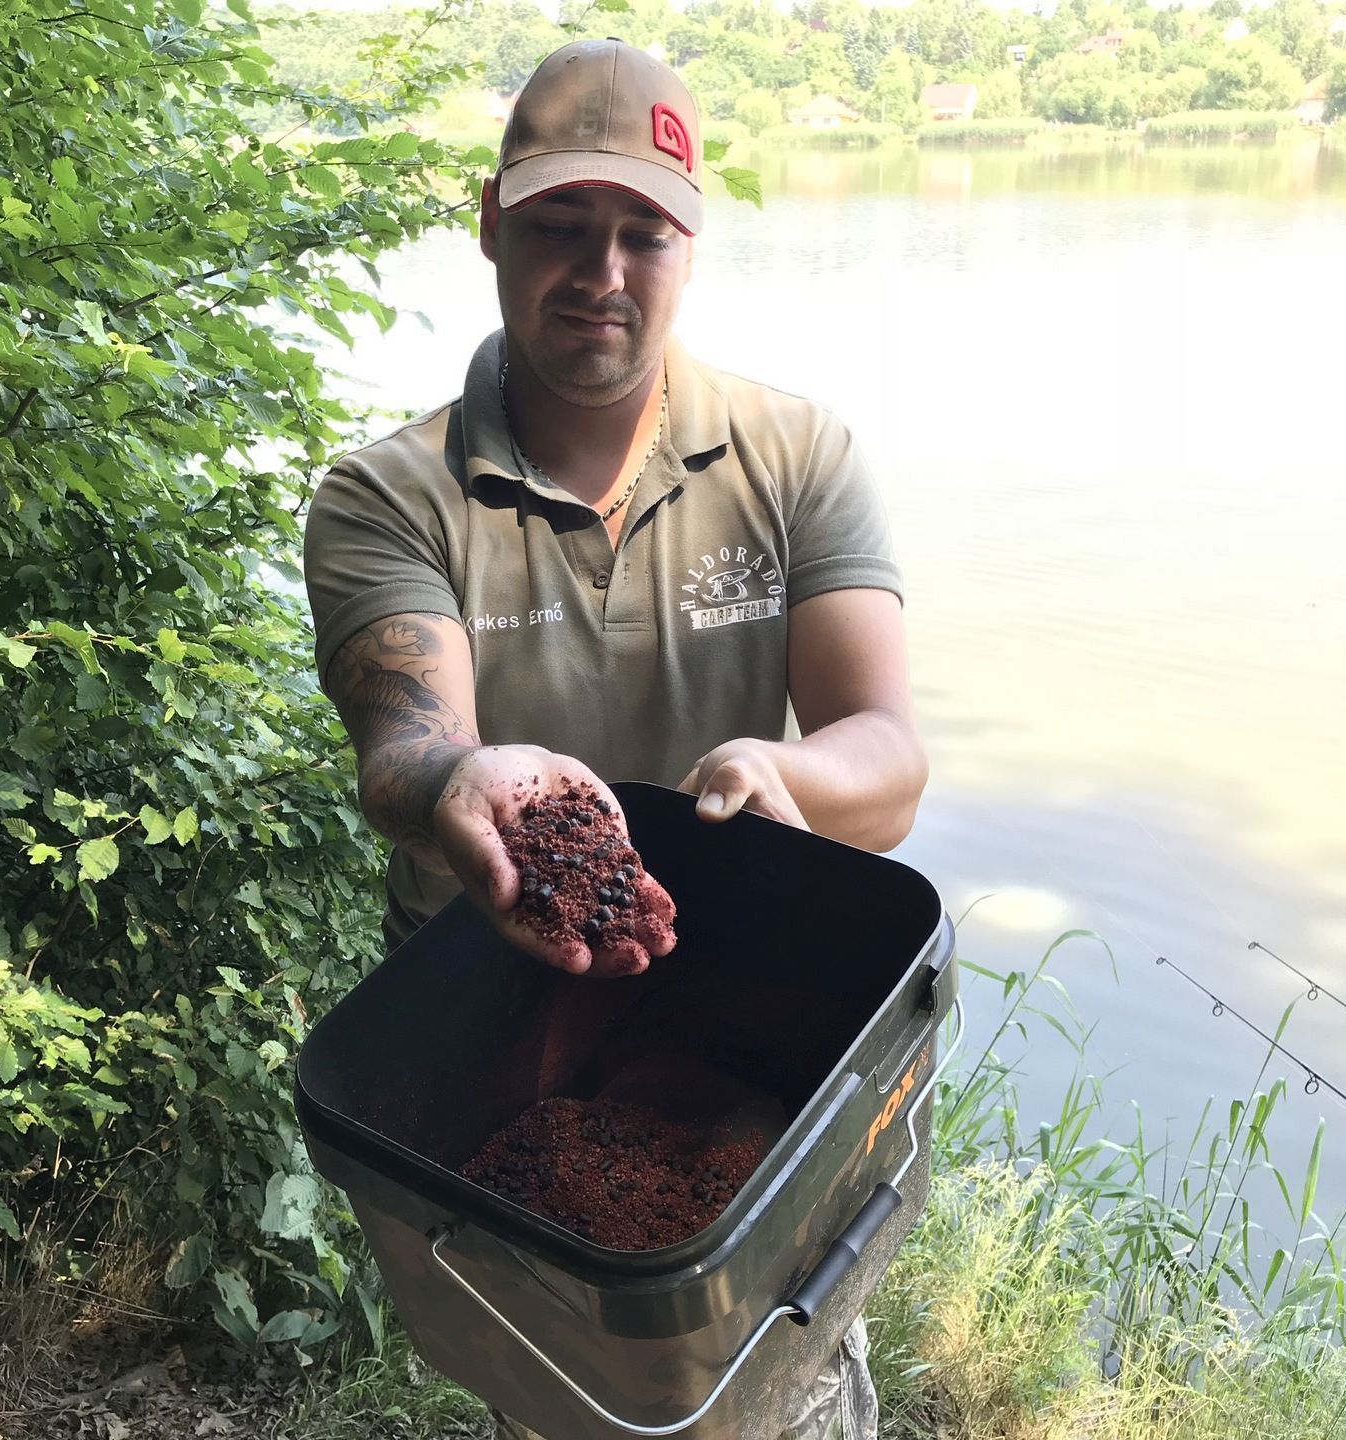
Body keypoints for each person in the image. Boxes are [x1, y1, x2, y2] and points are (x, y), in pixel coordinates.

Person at [302, 37, 927, 1440]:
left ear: (691, 245)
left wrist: (785, 776)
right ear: (489, 226)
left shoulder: (796, 457)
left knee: (785, 1360)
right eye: (562, 226)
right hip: (495, 1040)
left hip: (742, 1007)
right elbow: (404, 750)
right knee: (572, 1391)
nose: (604, 271)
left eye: (644, 230)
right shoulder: (384, 498)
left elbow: (884, 753)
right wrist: (475, 779)